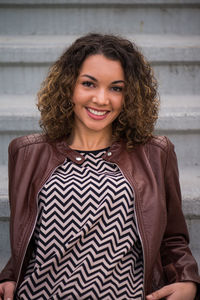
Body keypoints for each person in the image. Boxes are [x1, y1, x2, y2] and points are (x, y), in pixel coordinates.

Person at [0, 33, 199, 300]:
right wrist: (9, 277)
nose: (102, 99)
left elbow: (172, 238)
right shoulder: (27, 153)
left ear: (130, 95)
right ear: (68, 85)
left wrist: (187, 280)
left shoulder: (155, 153)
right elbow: (26, 237)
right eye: (89, 84)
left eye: (116, 88)